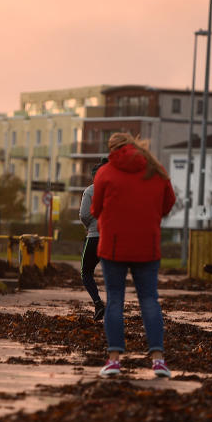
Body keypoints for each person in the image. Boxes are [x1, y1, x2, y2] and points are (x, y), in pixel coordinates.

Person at [91, 132, 176, 379]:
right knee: (149, 299)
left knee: (115, 300)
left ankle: (114, 361)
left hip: (114, 246)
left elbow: (95, 209)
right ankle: (158, 361)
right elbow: (168, 203)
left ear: (112, 149)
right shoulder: (155, 169)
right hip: (147, 246)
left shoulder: (105, 173)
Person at [79, 160, 107, 321]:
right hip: (111, 238)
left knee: (86, 271)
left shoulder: (90, 191)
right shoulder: (115, 190)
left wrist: (89, 225)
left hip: (94, 236)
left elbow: (83, 215)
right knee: (112, 273)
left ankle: (98, 303)